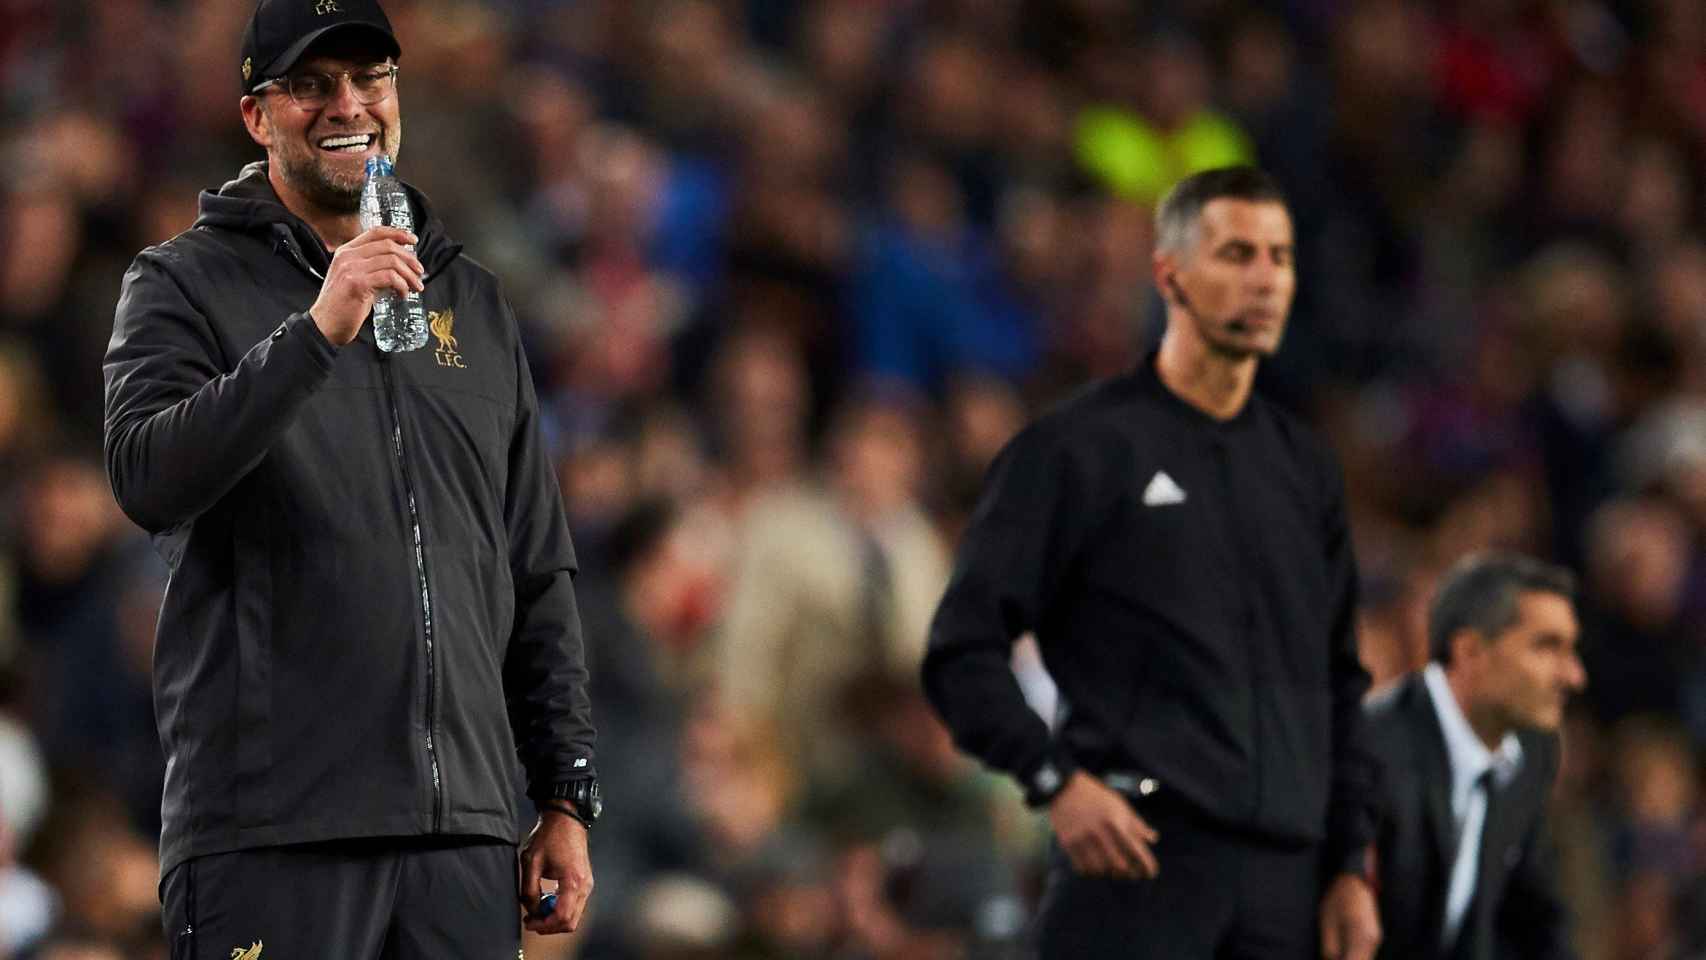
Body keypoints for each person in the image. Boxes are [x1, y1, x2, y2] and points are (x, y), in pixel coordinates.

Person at [101, 0, 600, 954]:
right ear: (257, 114)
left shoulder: (476, 303)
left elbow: (535, 566)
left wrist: (563, 793)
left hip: (462, 834)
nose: (349, 105)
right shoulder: (180, 283)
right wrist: (319, 329)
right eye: (313, 85)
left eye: (370, 78)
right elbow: (146, 477)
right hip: (273, 831)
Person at [921, 166, 1382, 958]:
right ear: (1170, 275)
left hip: (1287, 890)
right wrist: (1053, 780)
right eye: (1238, 254)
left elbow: (1339, 681)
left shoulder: (1305, 469)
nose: (1266, 280)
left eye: (1281, 257)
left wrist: (1348, 865)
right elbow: (962, 651)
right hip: (1139, 869)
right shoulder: (1079, 450)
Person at [1351, 552, 1585, 959]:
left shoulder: (1533, 750)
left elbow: (1535, 918)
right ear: (1471, 652)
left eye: (1571, 650)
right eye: (1547, 647)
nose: (1574, 675)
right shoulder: (1371, 752)